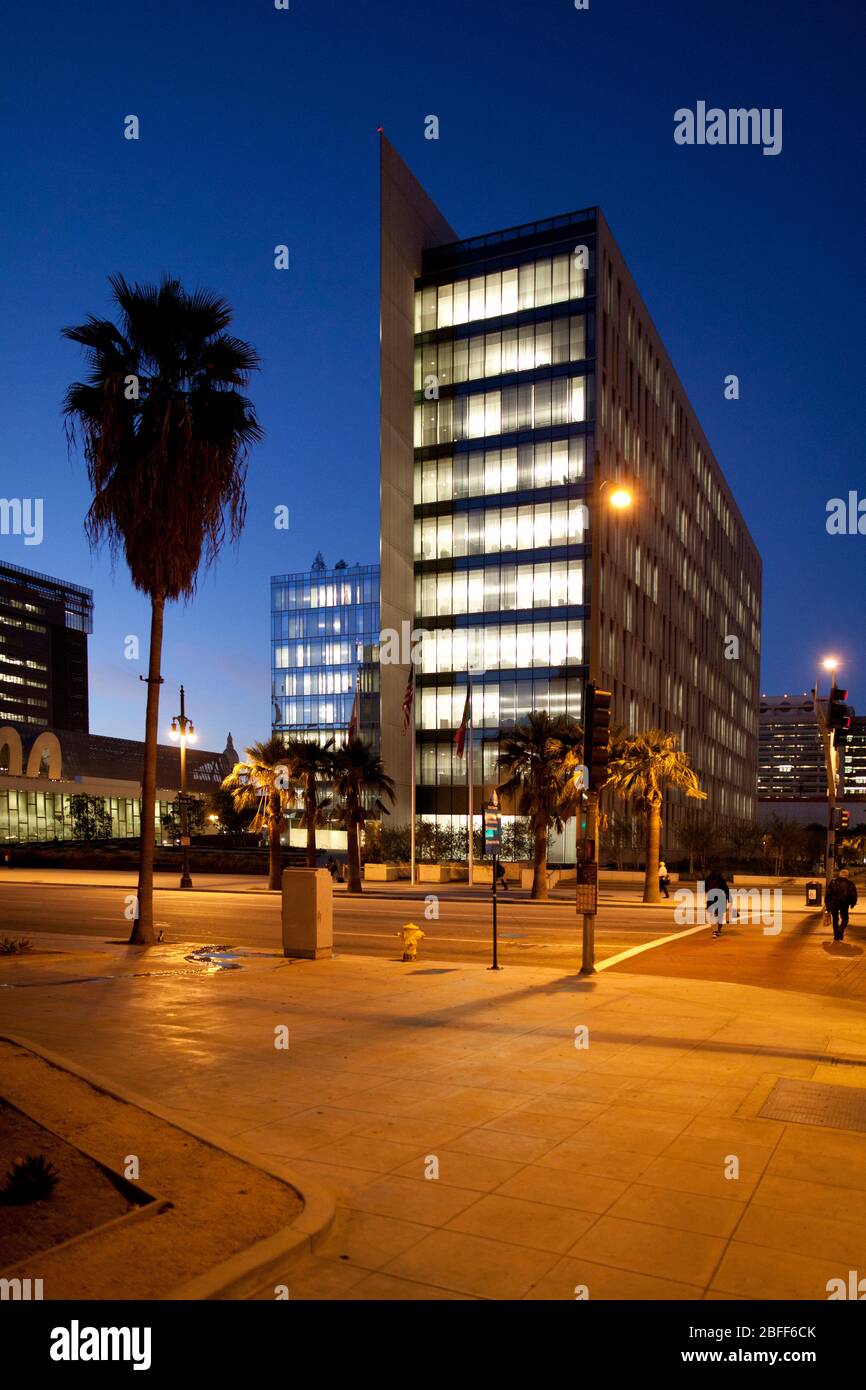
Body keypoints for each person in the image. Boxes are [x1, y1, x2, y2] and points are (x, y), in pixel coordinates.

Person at [825, 868, 858, 942]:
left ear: (840, 875)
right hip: (844, 903)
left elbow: (828, 894)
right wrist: (853, 903)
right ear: (847, 876)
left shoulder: (833, 882)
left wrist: (827, 903)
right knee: (845, 918)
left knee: (835, 919)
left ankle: (836, 936)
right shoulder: (850, 883)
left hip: (834, 903)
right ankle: (840, 930)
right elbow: (854, 895)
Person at [704, 868, 730, 939]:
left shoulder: (708, 878)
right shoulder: (721, 880)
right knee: (719, 915)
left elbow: (705, 888)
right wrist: (728, 899)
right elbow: (726, 889)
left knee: (712, 915)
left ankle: (714, 931)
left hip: (711, 898)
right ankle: (719, 930)